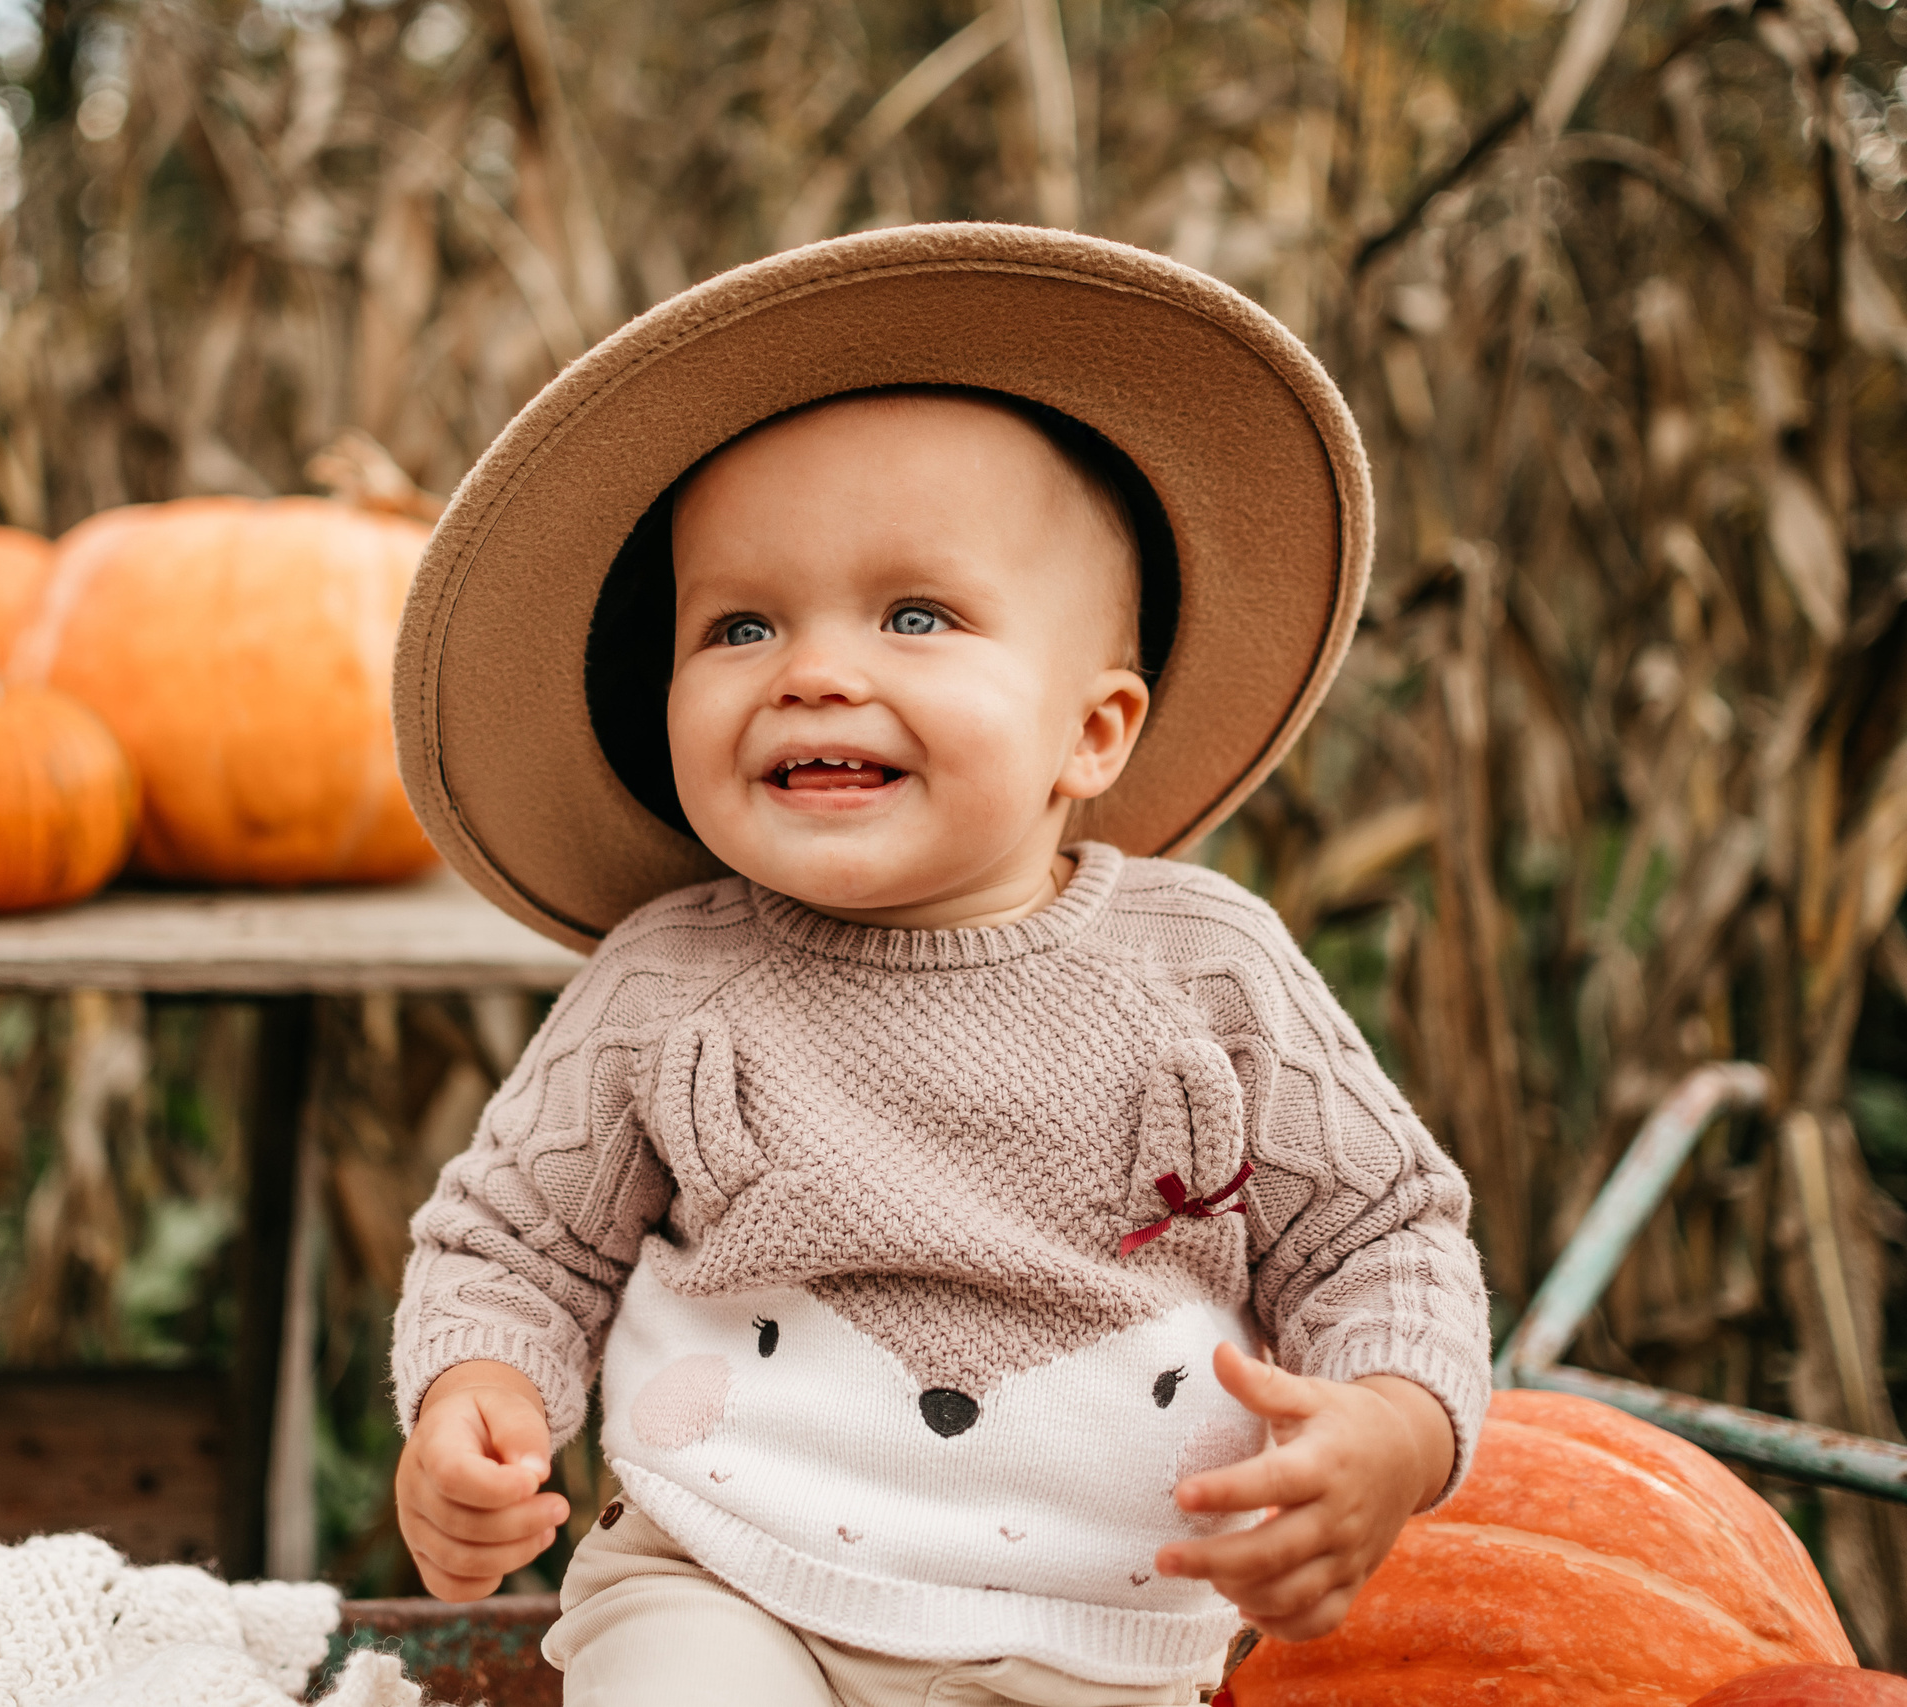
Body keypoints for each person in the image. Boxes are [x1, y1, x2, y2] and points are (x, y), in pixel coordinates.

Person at [382, 225, 1491, 1707]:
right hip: (724, 1577)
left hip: (1096, 1638)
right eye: (740, 624)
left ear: (1094, 732)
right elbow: (516, 1245)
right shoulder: (670, 979)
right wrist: (476, 1398)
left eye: (916, 616)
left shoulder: (1206, 971)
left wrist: (1394, 1431)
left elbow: (1383, 1239)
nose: (815, 670)